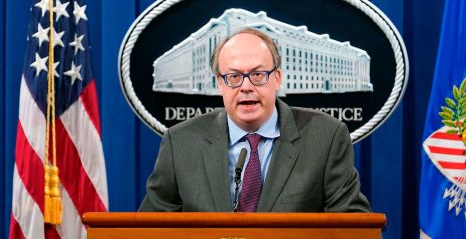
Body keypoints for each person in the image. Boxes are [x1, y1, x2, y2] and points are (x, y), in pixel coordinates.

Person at [139, 28, 371, 212]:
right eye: (234, 76)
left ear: (277, 78)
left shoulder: (326, 137)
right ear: (220, 84)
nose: (246, 87)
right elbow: (150, 229)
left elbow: (352, 225)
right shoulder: (180, 142)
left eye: (258, 75)